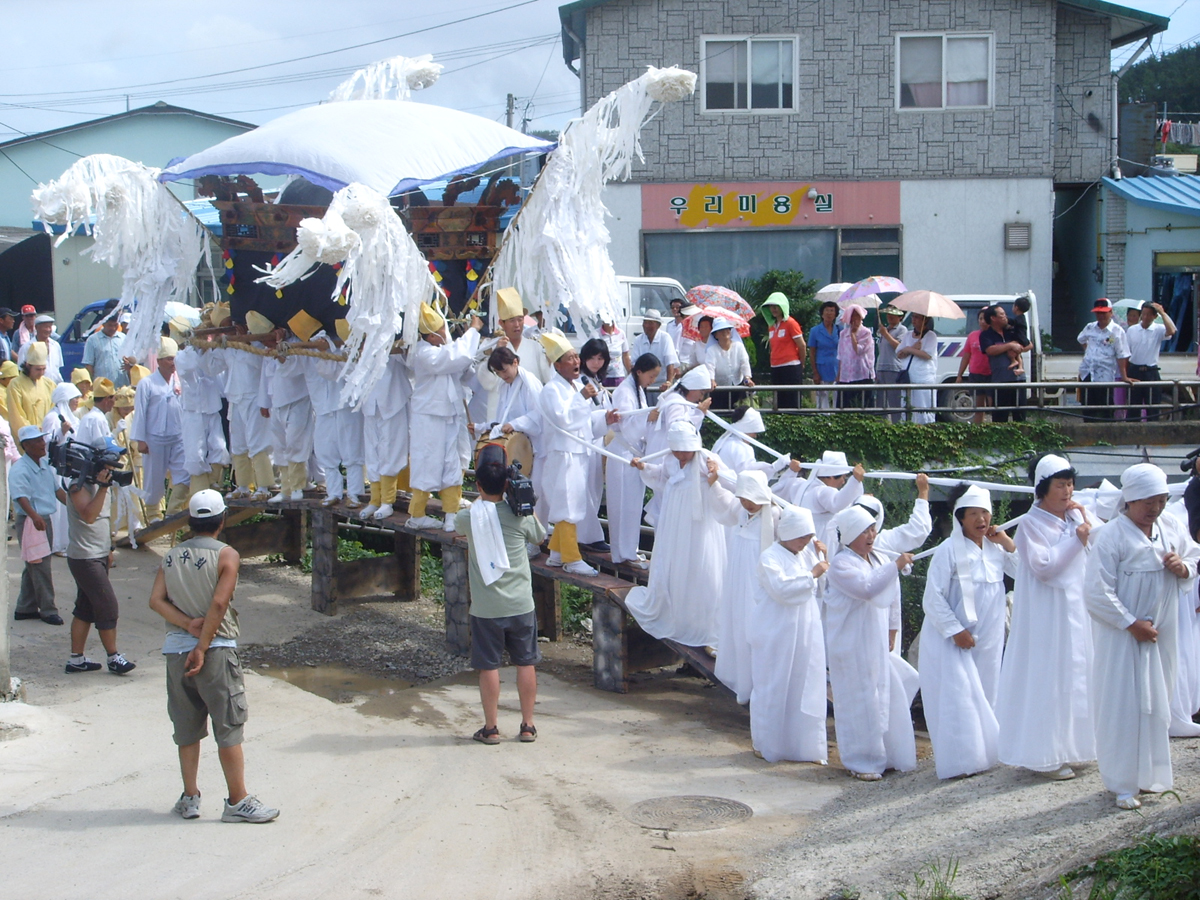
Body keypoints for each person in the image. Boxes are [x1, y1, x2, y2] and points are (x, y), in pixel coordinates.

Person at [148, 489, 279, 823]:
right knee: (228, 726)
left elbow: (156, 600)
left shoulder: (171, 556)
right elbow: (219, 605)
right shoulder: (227, 556)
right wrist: (202, 647)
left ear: (191, 522)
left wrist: (186, 625)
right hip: (215, 651)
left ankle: (190, 797)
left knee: (187, 727)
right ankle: (237, 800)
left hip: (176, 651)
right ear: (222, 520)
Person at [1086, 463, 1200, 810]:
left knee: (1157, 703)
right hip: (1123, 636)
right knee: (1122, 704)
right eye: (1148, 501)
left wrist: (1184, 567)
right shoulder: (1111, 536)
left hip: (1162, 631)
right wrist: (1131, 623)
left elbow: (1194, 554)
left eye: (1161, 500)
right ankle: (1122, 783)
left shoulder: (1170, 526)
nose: (1155, 508)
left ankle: (1151, 775)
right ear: (1131, 500)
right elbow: (1096, 592)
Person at [995, 454, 1096, 779]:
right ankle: (1044, 755)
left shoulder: (1070, 517)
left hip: (1074, 610)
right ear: (1043, 488)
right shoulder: (1030, 524)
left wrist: (1081, 517)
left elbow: (1101, 538)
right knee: (1048, 678)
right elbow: (1043, 568)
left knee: (1075, 675)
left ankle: (1074, 747)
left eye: (1070, 484)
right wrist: (1075, 541)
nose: (1067, 491)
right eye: (1060, 485)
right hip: (1046, 615)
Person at [919, 485, 1018, 779]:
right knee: (958, 698)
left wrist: (1007, 543)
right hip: (953, 639)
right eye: (973, 514)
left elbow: (1025, 572)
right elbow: (932, 597)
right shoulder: (948, 550)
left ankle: (987, 755)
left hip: (988, 637)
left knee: (988, 692)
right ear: (961, 518)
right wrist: (955, 630)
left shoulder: (996, 548)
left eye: (985, 512)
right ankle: (962, 762)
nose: (981, 519)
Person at [457, 445, 548, 744]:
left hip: (486, 607)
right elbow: (540, 536)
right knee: (526, 663)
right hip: (520, 602)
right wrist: (523, 504)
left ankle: (491, 728)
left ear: (478, 485)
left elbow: (457, 521)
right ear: (508, 484)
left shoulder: (470, 518)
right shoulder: (519, 517)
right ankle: (527, 725)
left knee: (489, 666)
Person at [823, 505, 917, 780]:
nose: (871, 535)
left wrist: (892, 628)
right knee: (857, 702)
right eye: (864, 531)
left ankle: (883, 754)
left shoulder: (875, 559)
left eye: (872, 529)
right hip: (850, 645)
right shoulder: (841, 564)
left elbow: (891, 594)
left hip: (873, 643)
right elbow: (867, 588)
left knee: (880, 699)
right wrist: (896, 565)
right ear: (850, 534)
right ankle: (861, 761)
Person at [625, 421, 737, 647]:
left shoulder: (706, 459)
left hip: (700, 523)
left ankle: (703, 622)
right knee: (675, 561)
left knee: (701, 564)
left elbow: (732, 480)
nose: (681, 456)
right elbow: (662, 476)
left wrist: (718, 473)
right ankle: (676, 611)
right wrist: (643, 467)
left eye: (685, 451)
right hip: (674, 520)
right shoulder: (670, 459)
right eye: (677, 450)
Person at [748, 506, 829, 764]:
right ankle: (767, 743)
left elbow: (821, 587)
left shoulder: (804, 554)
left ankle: (803, 746)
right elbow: (781, 589)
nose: (806, 541)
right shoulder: (769, 557)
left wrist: (820, 562)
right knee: (773, 684)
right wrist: (813, 574)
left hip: (805, 629)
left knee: (804, 684)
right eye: (802, 536)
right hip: (777, 631)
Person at [535, 333, 619, 576]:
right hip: (564, 455)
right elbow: (564, 419)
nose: (576, 362)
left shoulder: (574, 386)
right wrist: (582, 398)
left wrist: (605, 418)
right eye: (570, 358)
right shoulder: (551, 390)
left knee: (574, 501)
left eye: (575, 357)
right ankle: (571, 557)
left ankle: (557, 552)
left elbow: (584, 422)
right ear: (557, 364)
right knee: (567, 504)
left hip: (578, 452)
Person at [63, 433, 135, 675]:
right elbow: (89, 515)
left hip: (99, 554)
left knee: (85, 607)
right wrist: (103, 487)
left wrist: (110, 549)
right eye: (109, 461)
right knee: (107, 605)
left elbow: (104, 521)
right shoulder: (78, 484)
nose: (112, 466)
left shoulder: (99, 483)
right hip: (84, 557)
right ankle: (114, 658)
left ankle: (76, 659)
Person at [406, 304, 481, 532]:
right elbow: (454, 357)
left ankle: (450, 514)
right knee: (427, 463)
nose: (446, 333)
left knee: (452, 463)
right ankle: (417, 514)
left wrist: (482, 350)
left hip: (449, 414)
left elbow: (462, 366)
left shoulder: (442, 349)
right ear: (430, 335)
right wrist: (473, 331)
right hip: (428, 417)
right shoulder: (423, 352)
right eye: (441, 330)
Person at [714, 470, 780, 704]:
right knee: (738, 627)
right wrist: (715, 485)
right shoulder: (742, 511)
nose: (746, 504)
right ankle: (743, 685)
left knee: (755, 630)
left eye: (750, 499)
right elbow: (726, 506)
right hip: (738, 580)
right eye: (742, 498)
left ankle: (761, 686)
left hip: (757, 583)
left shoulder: (774, 514)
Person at [606, 353, 660, 568]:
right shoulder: (624, 391)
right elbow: (627, 426)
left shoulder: (637, 389)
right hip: (623, 451)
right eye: (651, 375)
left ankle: (629, 551)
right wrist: (648, 418)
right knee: (622, 505)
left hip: (634, 451)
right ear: (639, 371)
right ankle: (623, 553)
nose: (652, 380)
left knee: (632, 506)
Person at [10, 425, 67, 625]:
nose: (42, 444)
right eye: (37, 441)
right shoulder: (20, 468)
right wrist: (34, 516)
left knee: (34, 564)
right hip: (31, 521)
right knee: (40, 566)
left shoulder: (44, 465)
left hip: (43, 519)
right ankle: (48, 609)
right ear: (26, 445)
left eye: (42, 439)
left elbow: (57, 491)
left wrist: (76, 508)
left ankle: (25, 607)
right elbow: (20, 496)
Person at [642, 366, 712, 526]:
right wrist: (699, 413)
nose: (701, 397)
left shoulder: (677, 400)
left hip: (667, 454)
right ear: (692, 388)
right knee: (667, 503)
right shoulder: (676, 403)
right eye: (701, 392)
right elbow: (678, 428)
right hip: (665, 455)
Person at [131, 337, 189, 521]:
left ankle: (173, 510)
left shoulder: (180, 381)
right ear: (159, 361)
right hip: (154, 438)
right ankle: (153, 513)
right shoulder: (146, 383)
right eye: (169, 359)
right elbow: (140, 412)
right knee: (154, 477)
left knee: (184, 473)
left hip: (177, 436)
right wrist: (140, 439)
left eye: (175, 359)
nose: (173, 363)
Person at [775, 450, 865, 551]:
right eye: (843, 477)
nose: (843, 482)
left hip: (799, 536)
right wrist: (855, 481)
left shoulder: (800, 484)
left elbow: (780, 487)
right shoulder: (823, 491)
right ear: (831, 476)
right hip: (820, 538)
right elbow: (838, 504)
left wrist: (792, 471)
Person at [174, 337, 229, 498]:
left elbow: (217, 368)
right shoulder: (182, 355)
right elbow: (189, 368)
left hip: (212, 406)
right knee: (196, 454)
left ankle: (213, 484)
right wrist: (199, 349)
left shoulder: (210, 351)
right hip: (193, 410)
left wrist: (208, 350)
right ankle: (200, 493)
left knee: (220, 447)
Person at [577, 338, 614, 551]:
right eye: (592, 358)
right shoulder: (583, 381)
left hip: (598, 439)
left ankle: (589, 533)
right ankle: (589, 536)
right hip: (586, 440)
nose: (596, 362)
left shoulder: (595, 380)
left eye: (600, 358)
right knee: (587, 487)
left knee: (595, 487)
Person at [1077, 298, 1132, 422]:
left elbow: (1122, 354)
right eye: (1098, 313)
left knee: (1105, 406)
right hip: (1088, 372)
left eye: (1103, 313)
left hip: (1106, 374)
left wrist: (1124, 376)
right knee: (1087, 406)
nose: (1100, 316)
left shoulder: (1117, 331)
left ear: (1110, 313)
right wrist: (1090, 353)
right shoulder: (1090, 327)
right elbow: (1081, 339)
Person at [43, 381, 81, 555]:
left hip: (69, 467)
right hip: (55, 468)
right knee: (58, 508)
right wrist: (61, 432)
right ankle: (56, 543)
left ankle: (67, 541)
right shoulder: (53, 418)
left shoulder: (73, 417)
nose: (77, 402)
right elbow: (47, 444)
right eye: (74, 398)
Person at [1126, 301, 1176, 421]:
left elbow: (1172, 331)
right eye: (1143, 314)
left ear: (1154, 316)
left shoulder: (1158, 329)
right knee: (1133, 407)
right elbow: (1126, 353)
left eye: (1149, 314)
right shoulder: (1132, 330)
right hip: (1134, 370)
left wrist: (1162, 313)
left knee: (1153, 406)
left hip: (1151, 371)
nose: (1146, 317)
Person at [712, 406, 789, 477]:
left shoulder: (723, 442)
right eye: (754, 432)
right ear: (747, 429)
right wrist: (775, 467)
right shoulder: (742, 448)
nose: (755, 436)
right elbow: (750, 475)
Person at [761, 292, 806, 411]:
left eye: (776, 306)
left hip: (791, 366)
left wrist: (801, 363)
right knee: (779, 401)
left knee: (792, 401)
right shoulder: (771, 325)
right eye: (771, 306)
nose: (773, 309)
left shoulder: (791, 323)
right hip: (776, 366)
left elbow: (802, 345)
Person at [979, 305, 1023, 424]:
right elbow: (990, 350)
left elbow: (1028, 344)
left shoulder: (1011, 331)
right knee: (1000, 417)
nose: (1005, 317)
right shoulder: (986, 335)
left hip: (1018, 379)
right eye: (1002, 315)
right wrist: (1009, 346)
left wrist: (1017, 346)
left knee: (1020, 416)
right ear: (993, 318)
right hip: (1000, 380)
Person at [7, 340, 55, 441]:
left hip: (46, 436)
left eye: (44, 369)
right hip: (27, 438)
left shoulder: (49, 384)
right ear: (28, 366)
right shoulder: (15, 384)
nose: (41, 373)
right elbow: (17, 415)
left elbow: (54, 409)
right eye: (38, 369)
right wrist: (32, 434)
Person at [896, 312, 938, 424]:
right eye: (913, 317)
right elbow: (899, 353)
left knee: (923, 405)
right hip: (908, 375)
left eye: (917, 317)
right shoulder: (908, 335)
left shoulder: (931, 336)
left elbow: (927, 355)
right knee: (907, 404)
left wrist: (909, 350)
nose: (913, 320)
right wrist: (912, 348)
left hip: (923, 377)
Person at [630, 310, 678, 402]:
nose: (647, 326)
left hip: (661, 385)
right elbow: (634, 364)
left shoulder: (665, 338)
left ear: (658, 325)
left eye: (650, 323)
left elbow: (670, 362)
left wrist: (668, 382)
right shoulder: (638, 340)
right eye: (645, 322)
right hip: (643, 385)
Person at [705, 318, 752, 410]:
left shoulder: (738, 346)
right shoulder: (712, 350)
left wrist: (747, 378)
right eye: (721, 330)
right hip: (719, 388)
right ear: (715, 335)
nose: (725, 332)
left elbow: (744, 362)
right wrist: (712, 380)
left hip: (737, 384)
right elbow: (710, 366)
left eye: (727, 329)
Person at [955, 309, 992, 424]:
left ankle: (995, 430)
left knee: (994, 406)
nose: (983, 322)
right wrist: (959, 375)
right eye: (980, 319)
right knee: (978, 407)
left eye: (985, 319)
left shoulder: (995, 335)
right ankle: (978, 431)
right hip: (976, 374)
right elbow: (966, 356)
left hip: (992, 374)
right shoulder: (972, 336)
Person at [82, 303, 130, 387]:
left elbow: (132, 360)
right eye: (110, 325)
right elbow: (89, 365)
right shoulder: (92, 340)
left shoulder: (123, 338)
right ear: (103, 323)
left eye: (115, 325)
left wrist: (130, 363)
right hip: (103, 388)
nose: (113, 328)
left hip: (122, 387)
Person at [836, 304, 874, 409]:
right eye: (852, 316)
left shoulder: (866, 332)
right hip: (846, 374)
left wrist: (853, 335)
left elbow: (859, 350)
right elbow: (841, 355)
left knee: (863, 404)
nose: (855, 319)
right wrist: (839, 375)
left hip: (862, 373)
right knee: (845, 405)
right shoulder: (843, 333)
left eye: (857, 316)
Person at [875, 307, 909, 423]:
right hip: (881, 368)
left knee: (895, 401)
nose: (890, 317)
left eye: (893, 315)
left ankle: (897, 425)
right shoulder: (885, 329)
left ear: (900, 317)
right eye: (888, 314)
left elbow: (898, 347)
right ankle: (882, 425)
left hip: (893, 368)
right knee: (880, 401)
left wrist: (886, 334)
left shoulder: (902, 330)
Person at [809, 301, 841, 411]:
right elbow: (812, 352)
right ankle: (822, 421)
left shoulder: (839, 330)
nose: (829, 313)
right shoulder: (815, 331)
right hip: (821, 367)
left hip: (836, 367)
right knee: (822, 397)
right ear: (822, 314)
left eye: (832, 311)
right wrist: (815, 372)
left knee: (837, 396)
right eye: (826, 310)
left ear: (835, 314)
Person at [598, 316, 632, 384]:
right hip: (602, 376)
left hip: (618, 375)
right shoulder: (595, 334)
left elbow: (625, 355)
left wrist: (630, 373)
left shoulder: (621, 333)